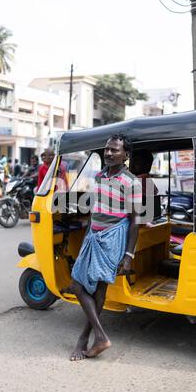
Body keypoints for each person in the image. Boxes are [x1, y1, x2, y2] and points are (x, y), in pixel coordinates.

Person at [64, 134, 142, 361]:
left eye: (114, 150)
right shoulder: (99, 176)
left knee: (91, 289)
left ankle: (87, 339)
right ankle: (98, 337)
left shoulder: (132, 182)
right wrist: (87, 237)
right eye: (107, 149)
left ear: (126, 154)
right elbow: (94, 210)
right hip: (94, 237)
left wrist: (128, 255)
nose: (109, 153)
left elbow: (137, 219)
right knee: (79, 286)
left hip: (113, 238)